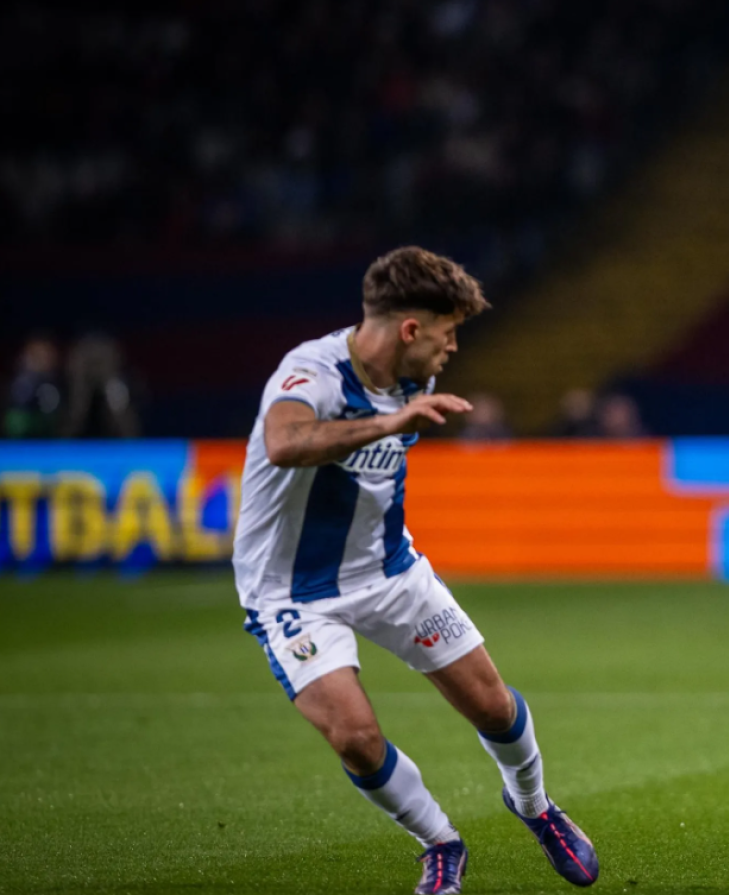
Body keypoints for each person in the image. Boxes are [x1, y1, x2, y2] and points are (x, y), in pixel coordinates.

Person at [232, 247, 598, 894]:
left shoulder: (413, 377)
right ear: (410, 329)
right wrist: (386, 423)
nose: (452, 348)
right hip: (291, 592)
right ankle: (439, 842)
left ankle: (535, 805)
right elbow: (284, 443)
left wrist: (395, 417)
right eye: (448, 332)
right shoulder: (311, 372)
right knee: (354, 737)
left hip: (390, 571)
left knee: (490, 703)